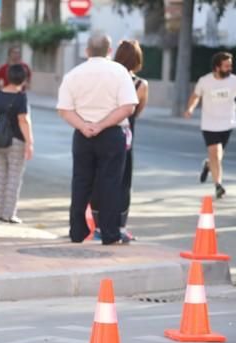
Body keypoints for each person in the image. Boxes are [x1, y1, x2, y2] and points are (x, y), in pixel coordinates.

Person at [56, 31, 138, 245]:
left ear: (86, 51)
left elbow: (64, 109)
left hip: (82, 135)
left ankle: (77, 231)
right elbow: (128, 107)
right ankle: (110, 233)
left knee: (80, 182)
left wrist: (84, 126)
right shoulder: (120, 72)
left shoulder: (73, 74)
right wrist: (101, 125)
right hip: (111, 134)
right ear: (109, 50)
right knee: (110, 183)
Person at [91, 40, 148, 241]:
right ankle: (120, 227)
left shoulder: (107, 79)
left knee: (99, 180)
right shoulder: (141, 85)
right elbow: (137, 110)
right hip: (125, 138)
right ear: (138, 59)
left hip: (100, 132)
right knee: (123, 183)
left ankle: (98, 227)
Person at [184, 51, 236, 199]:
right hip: (209, 124)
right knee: (215, 153)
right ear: (217, 67)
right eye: (226, 66)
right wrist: (190, 108)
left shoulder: (235, 81)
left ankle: (208, 165)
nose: (229, 69)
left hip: (227, 123)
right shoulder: (205, 81)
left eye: (230, 66)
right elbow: (196, 96)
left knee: (218, 156)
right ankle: (218, 185)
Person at [0, 64, 34, 224]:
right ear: (23, 79)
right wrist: (29, 142)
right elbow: (23, 120)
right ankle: (9, 214)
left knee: (1, 176)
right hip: (16, 140)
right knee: (14, 178)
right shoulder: (20, 96)